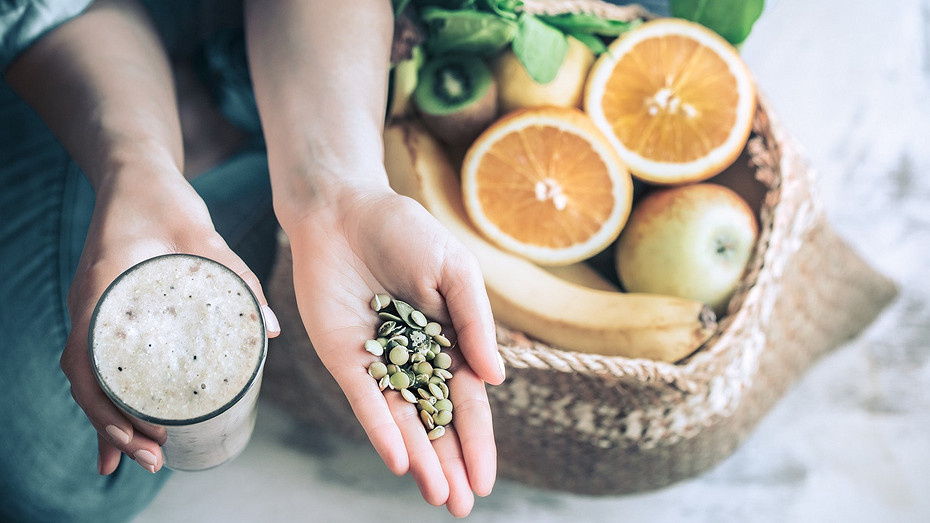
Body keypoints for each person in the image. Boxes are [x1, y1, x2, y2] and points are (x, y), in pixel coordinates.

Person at [0, 0, 506, 520]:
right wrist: (133, 167)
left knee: (55, 473)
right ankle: (228, 108)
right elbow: (41, 13)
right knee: (49, 467)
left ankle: (246, 106)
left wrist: (339, 189)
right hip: (82, 41)